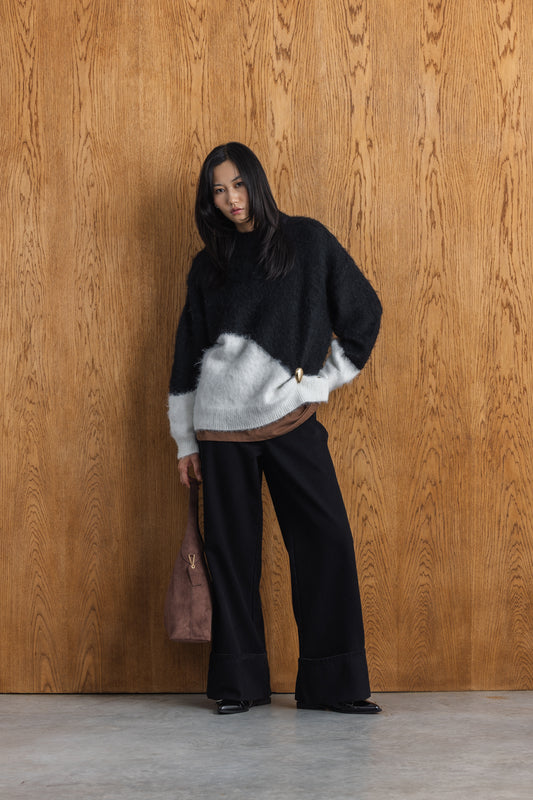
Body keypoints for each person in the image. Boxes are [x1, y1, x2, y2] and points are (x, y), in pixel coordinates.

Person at [168, 142, 382, 715]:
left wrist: (321, 382)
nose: (231, 199)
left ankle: (334, 685)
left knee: (327, 543)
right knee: (231, 557)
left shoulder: (306, 241)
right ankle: (240, 685)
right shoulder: (208, 266)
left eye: (238, 184)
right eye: (218, 191)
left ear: (256, 182)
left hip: (291, 419)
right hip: (219, 431)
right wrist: (185, 441)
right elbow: (187, 353)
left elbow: (363, 312)